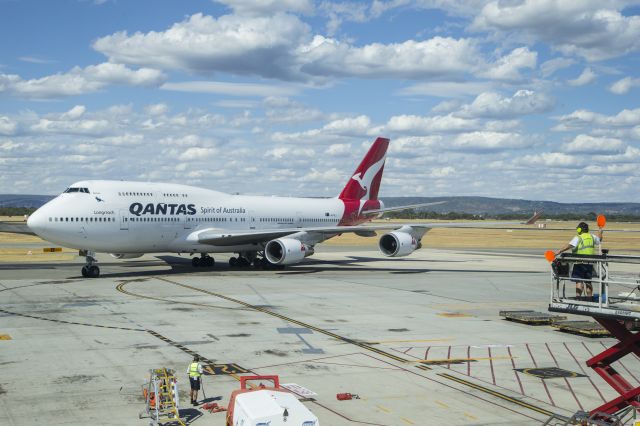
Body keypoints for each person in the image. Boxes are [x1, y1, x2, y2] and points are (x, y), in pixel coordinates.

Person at [554, 221, 603, 298]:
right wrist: (600, 230)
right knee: (588, 282)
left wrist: (558, 251)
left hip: (579, 263)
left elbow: (568, 246)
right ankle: (590, 299)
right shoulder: (592, 237)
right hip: (589, 263)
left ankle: (578, 299)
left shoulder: (578, 237)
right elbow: (599, 239)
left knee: (579, 281)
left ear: (579, 230)